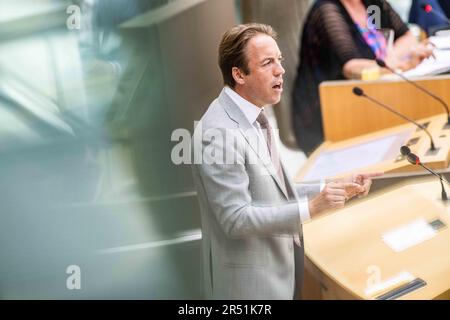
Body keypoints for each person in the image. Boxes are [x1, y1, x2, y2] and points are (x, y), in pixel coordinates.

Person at [191, 23, 381, 299]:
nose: (280, 70)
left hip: (280, 274)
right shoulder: (218, 133)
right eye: (267, 63)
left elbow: (274, 190)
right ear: (238, 74)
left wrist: (331, 187)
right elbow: (235, 219)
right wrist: (312, 208)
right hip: (250, 289)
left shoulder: (255, 115)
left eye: (279, 60)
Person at [292, 0, 434, 154]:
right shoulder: (328, 10)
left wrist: (390, 63)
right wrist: (401, 65)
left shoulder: (373, 5)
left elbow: (406, 37)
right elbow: (352, 68)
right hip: (333, 115)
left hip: (378, 98)